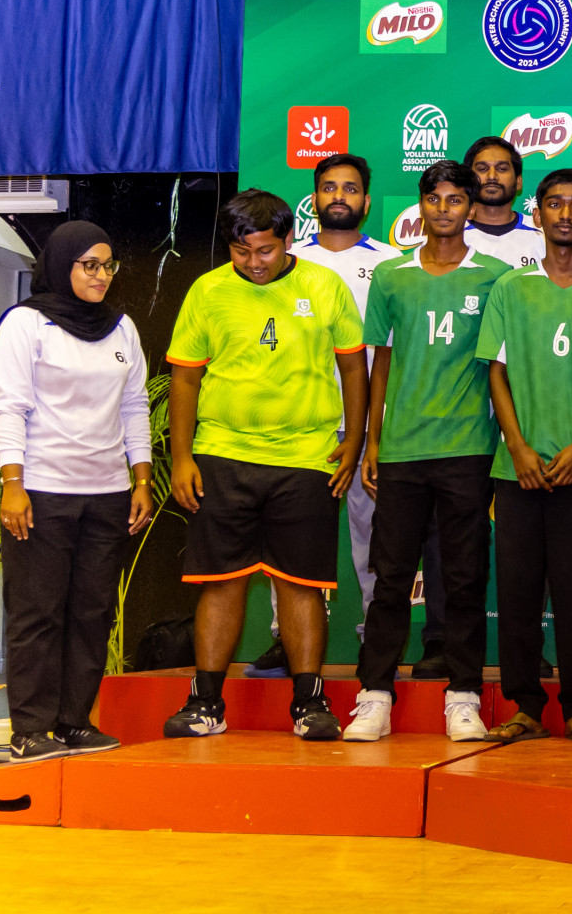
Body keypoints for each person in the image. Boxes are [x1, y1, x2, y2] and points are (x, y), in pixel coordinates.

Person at [163, 190, 367, 740]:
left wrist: (355, 441)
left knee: (301, 585)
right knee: (221, 581)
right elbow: (185, 378)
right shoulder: (207, 292)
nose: (255, 262)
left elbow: (353, 369)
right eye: (242, 251)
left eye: (267, 251)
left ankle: (308, 703)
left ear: (289, 239)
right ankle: (206, 703)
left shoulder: (324, 286)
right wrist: (181, 457)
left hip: (306, 457)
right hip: (224, 455)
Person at [343, 160, 507, 743]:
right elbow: (379, 360)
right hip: (403, 450)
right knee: (390, 578)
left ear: (469, 207)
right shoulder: (391, 276)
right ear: (420, 206)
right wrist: (372, 440)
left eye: (455, 199)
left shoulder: (495, 276)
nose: (444, 209)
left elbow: (498, 368)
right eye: (434, 199)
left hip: (466, 447)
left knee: (462, 579)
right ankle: (374, 697)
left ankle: (463, 698)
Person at [244, 154, 420, 679]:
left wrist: (377, 430)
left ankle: (375, 642)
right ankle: (286, 639)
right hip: (303, 426)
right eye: (328, 187)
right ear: (314, 199)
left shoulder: (394, 264)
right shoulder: (283, 261)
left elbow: (396, 351)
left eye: (349, 188)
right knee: (295, 539)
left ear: (366, 201)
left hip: (372, 426)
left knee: (375, 540)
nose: (338, 196)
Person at [0, 222, 155, 762]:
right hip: (40, 491)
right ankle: (30, 728)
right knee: (37, 613)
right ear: (63, 264)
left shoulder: (121, 327)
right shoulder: (27, 323)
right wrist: (12, 486)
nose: (101, 275)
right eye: (90, 264)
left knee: (91, 612)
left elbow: (135, 406)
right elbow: (9, 406)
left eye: (108, 265)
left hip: (107, 494)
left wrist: (141, 477)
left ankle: (73, 722)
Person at [478, 169, 572, 745]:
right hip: (518, 469)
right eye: (555, 204)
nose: (565, 215)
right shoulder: (512, 287)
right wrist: (517, 445)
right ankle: (526, 707)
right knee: (516, 594)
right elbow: (496, 371)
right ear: (537, 213)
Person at [463, 136, 544, 270]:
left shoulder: (543, 235)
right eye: (482, 169)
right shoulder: (452, 235)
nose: (492, 176)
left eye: (502, 169)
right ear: (468, 181)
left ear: (519, 182)